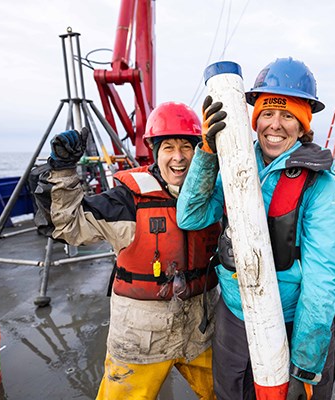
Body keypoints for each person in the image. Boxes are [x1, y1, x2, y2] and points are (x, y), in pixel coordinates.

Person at [176, 57, 335, 400]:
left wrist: (306, 366)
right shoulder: (233, 163)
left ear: (302, 124)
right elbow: (190, 216)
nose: (275, 125)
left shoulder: (321, 186)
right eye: (267, 113)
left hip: (294, 321)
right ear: (254, 119)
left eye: (288, 115)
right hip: (235, 317)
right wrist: (207, 152)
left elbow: (321, 282)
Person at [33, 102, 221, 400]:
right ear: (154, 151)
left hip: (201, 332)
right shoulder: (126, 200)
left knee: (227, 393)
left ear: (199, 150)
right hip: (140, 341)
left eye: (187, 146)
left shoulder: (216, 193)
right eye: (168, 147)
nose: (178, 157)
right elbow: (69, 226)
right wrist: (63, 171)